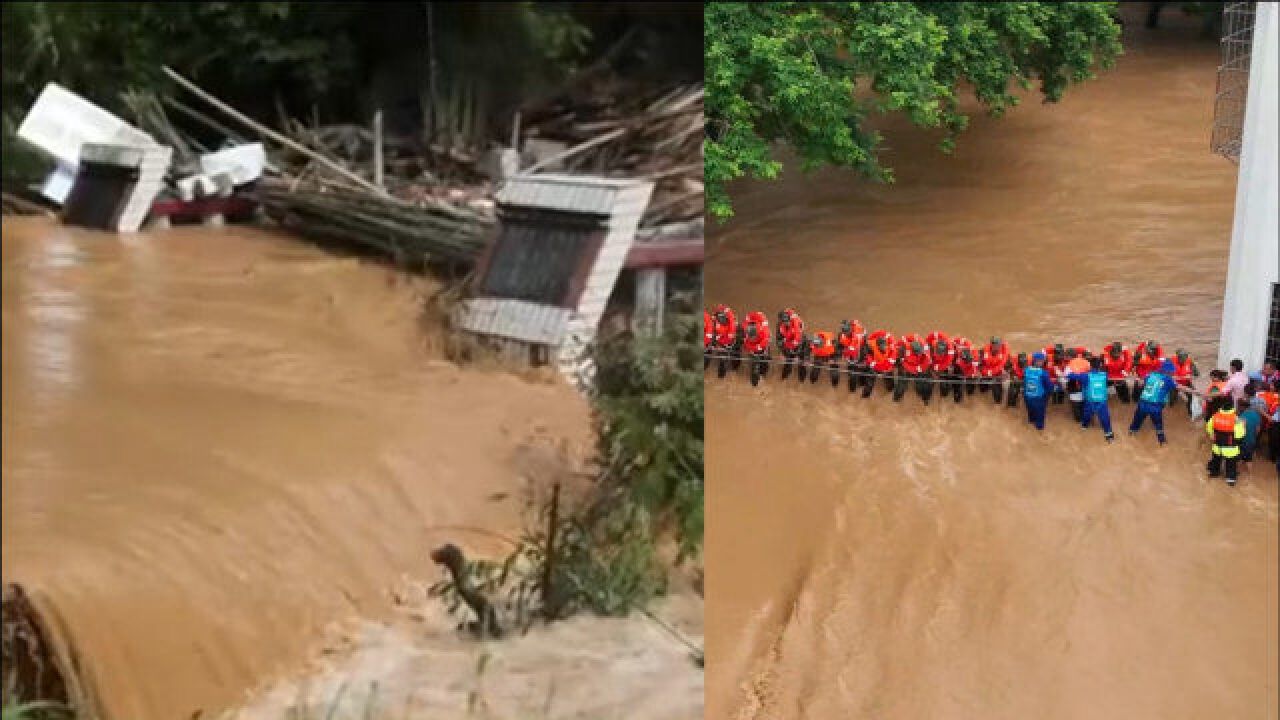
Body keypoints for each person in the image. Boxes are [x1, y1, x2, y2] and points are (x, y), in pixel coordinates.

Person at [1129, 359, 1175, 444]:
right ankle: (1162, 442)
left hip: (1142, 403)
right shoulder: (1168, 380)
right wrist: (1197, 393)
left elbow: (1140, 383)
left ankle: (1132, 433)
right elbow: (1180, 387)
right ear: (1168, 372)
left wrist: (1137, 378)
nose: (1173, 374)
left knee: (1136, 421)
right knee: (1158, 426)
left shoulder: (1151, 375)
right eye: (1172, 372)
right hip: (1155, 407)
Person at [1073, 356, 1114, 443]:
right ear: (1100, 366)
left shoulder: (1085, 375)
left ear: (1090, 366)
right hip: (1102, 401)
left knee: (1086, 415)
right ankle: (1109, 435)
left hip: (1090, 401)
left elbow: (1072, 376)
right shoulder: (1104, 375)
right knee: (1105, 418)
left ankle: (1084, 426)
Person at [1206, 397, 1246, 486]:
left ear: (1221, 406)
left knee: (1216, 462)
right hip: (1231, 449)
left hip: (1217, 447)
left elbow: (1209, 429)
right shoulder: (1236, 419)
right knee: (1231, 466)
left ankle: (1214, 473)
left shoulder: (1215, 416)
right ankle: (1230, 480)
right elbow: (1240, 436)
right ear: (1232, 406)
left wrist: (1212, 434)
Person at [896, 335, 933, 404]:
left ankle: (924, 399)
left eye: (920, 352)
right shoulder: (905, 349)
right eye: (917, 352)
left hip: (920, 368)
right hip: (908, 368)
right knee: (901, 386)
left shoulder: (925, 349)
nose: (919, 353)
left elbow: (927, 362)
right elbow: (903, 362)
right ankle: (896, 399)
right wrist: (907, 367)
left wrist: (918, 369)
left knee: (921, 385)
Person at [1023, 352, 1054, 431]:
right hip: (1038, 399)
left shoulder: (1026, 370)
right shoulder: (1043, 373)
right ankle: (1039, 430)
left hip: (1027, 397)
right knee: (1040, 416)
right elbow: (1049, 387)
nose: (1042, 362)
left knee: (1031, 413)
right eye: (1042, 361)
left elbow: (1025, 382)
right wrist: (1047, 395)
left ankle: (1031, 421)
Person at [863, 330, 898, 398]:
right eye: (882, 346)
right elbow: (868, 356)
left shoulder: (892, 348)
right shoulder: (871, 346)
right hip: (875, 367)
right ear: (878, 346)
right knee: (869, 384)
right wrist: (872, 364)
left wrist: (881, 370)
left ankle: (890, 392)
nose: (884, 347)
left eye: (885, 345)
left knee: (890, 382)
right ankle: (865, 396)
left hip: (887, 368)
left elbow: (890, 362)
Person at [741, 311, 771, 386]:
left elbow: (765, 343)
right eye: (751, 337)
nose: (752, 339)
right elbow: (745, 344)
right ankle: (754, 382)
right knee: (754, 364)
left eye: (753, 337)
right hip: (752, 348)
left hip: (763, 346)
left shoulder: (764, 332)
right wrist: (750, 350)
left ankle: (763, 373)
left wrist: (759, 350)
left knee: (765, 361)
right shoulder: (745, 332)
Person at [710, 305, 740, 378]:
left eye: (722, 317)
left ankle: (735, 367)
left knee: (736, 355)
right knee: (722, 360)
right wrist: (714, 342)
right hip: (721, 343)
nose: (721, 319)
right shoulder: (714, 322)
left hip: (732, 343)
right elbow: (711, 333)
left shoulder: (733, 324)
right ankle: (721, 376)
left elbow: (738, 335)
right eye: (719, 317)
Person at [776, 309, 806, 381]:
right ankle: (783, 378)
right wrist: (782, 353)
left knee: (801, 361)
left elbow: (800, 341)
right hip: (788, 341)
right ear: (781, 322)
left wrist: (797, 355)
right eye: (784, 322)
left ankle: (802, 380)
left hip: (799, 342)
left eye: (788, 321)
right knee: (788, 361)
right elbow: (779, 341)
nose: (787, 323)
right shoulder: (779, 326)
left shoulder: (797, 326)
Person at [838, 319, 867, 393]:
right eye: (844, 331)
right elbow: (841, 346)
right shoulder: (841, 335)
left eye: (847, 331)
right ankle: (852, 391)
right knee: (852, 371)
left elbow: (862, 344)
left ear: (851, 328)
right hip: (850, 354)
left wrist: (862, 360)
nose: (846, 333)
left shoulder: (858, 334)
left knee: (861, 369)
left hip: (860, 351)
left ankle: (861, 383)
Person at [926, 332, 956, 404]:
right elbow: (928, 359)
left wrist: (939, 371)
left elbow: (947, 362)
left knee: (945, 382)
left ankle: (944, 396)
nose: (939, 353)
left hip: (944, 364)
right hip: (933, 363)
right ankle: (927, 398)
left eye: (941, 352)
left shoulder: (950, 351)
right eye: (938, 352)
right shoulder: (931, 346)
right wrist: (933, 370)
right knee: (930, 382)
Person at [979, 336, 1010, 404]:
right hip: (986, 372)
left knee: (997, 396)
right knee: (982, 389)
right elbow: (980, 365)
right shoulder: (983, 351)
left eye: (998, 345)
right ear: (991, 345)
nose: (997, 347)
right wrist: (985, 372)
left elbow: (1008, 366)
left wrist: (1006, 372)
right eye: (995, 345)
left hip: (998, 375)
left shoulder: (1005, 353)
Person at [1168, 349, 1199, 413]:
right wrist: (1170, 377)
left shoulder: (1189, 362)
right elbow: (1163, 372)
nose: (1185, 359)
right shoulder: (1170, 361)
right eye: (1183, 358)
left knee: (1191, 396)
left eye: (1186, 357)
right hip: (1174, 383)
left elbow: (1197, 374)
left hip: (1186, 382)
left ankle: (1189, 409)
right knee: (1172, 399)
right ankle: (1171, 409)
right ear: (1178, 357)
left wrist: (1192, 376)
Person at [1065, 352, 1091, 422]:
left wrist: (1078, 376)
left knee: (1076, 405)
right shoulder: (1087, 362)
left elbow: (1067, 376)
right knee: (1085, 403)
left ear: (1070, 357)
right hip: (1085, 387)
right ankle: (1085, 417)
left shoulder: (1069, 365)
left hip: (1074, 388)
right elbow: (1091, 374)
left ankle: (1078, 418)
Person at [953, 338, 980, 402]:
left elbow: (974, 370)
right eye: (966, 360)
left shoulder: (975, 357)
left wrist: (971, 375)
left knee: (971, 383)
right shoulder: (958, 360)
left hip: (971, 370)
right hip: (961, 370)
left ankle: (970, 395)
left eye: (968, 360)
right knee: (958, 382)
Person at [1239, 397, 1262, 467]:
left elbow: (1240, 432)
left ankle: (1248, 476)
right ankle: (1250, 475)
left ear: (1242, 407)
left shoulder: (1241, 417)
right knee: (1248, 459)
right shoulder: (1256, 415)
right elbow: (1258, 430)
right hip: (1252, 441)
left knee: (1242, 459)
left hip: (1243, 441)